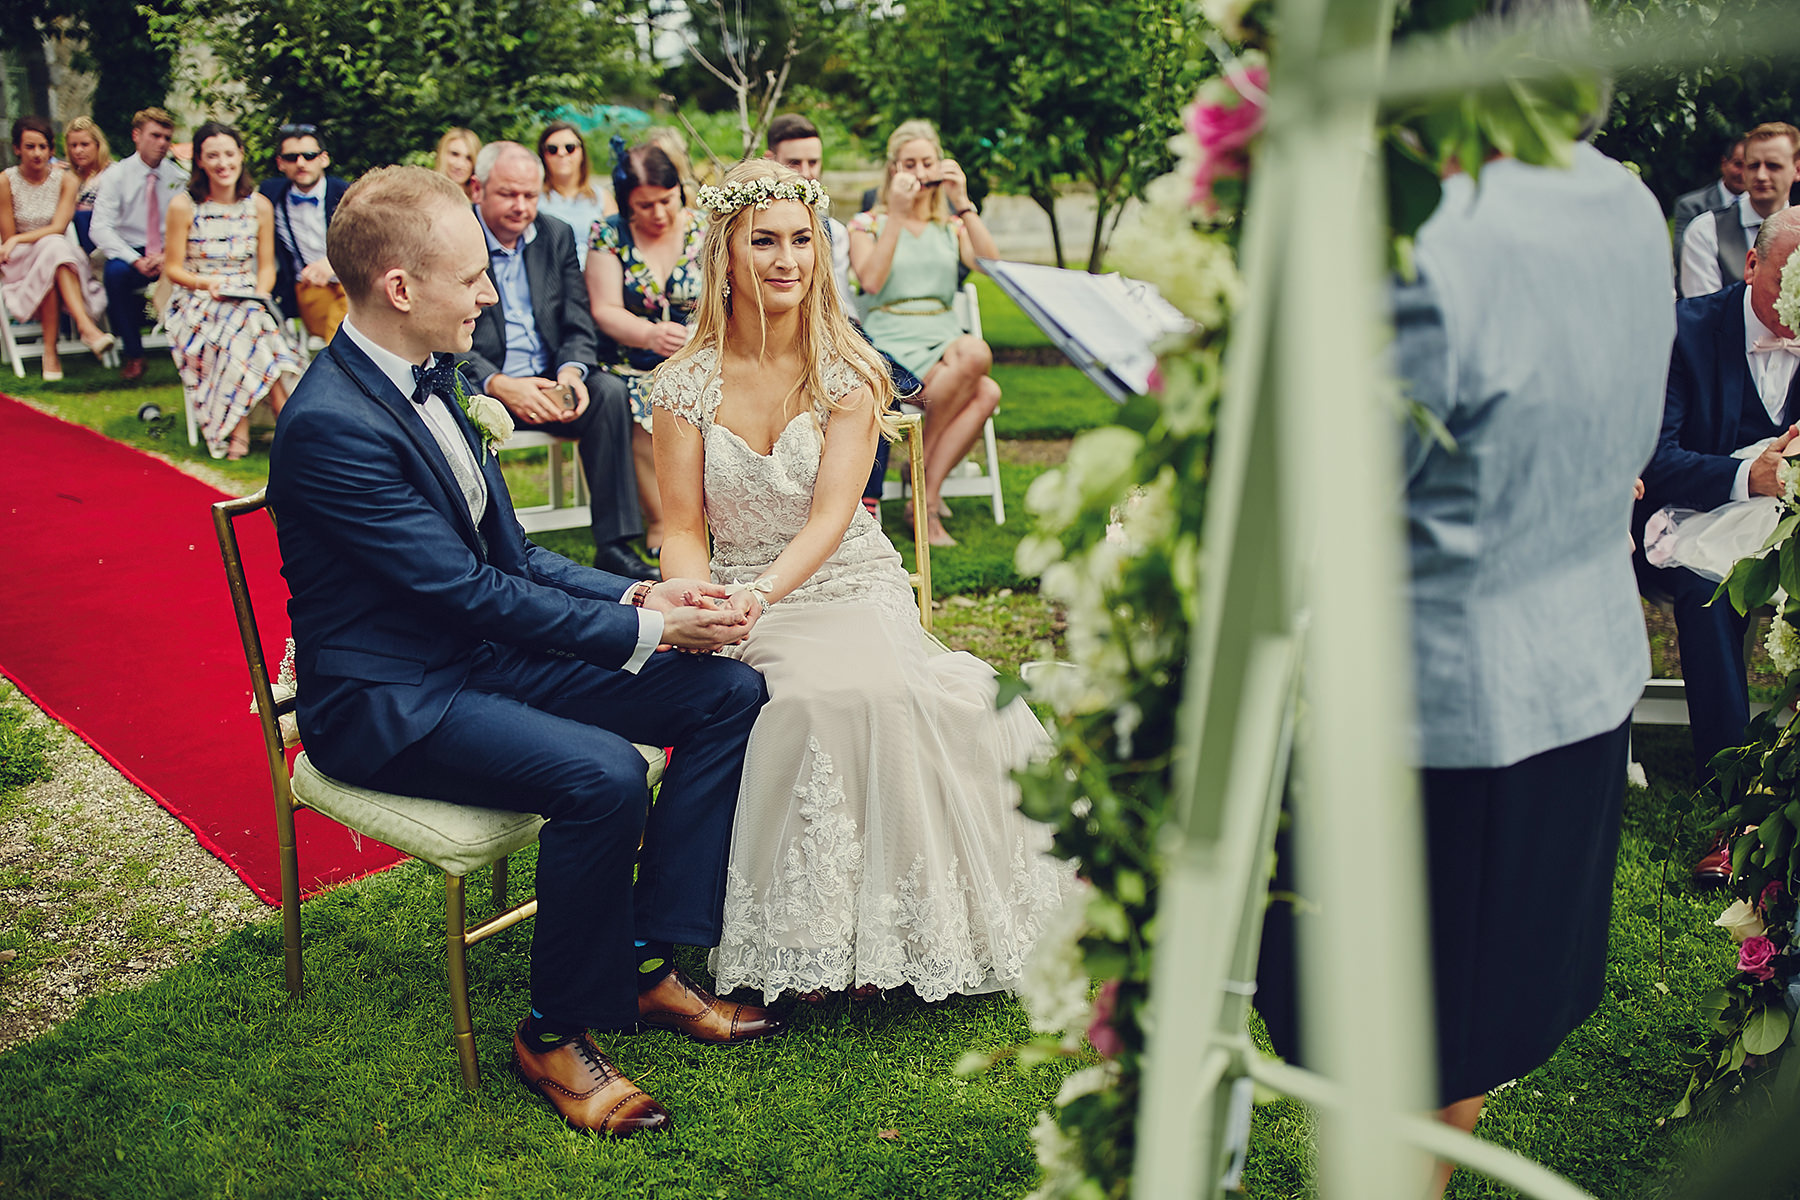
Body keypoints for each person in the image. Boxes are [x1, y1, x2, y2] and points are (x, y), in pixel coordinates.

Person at [266, 164, 779, 1135]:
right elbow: (470, 593)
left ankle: (644, 958)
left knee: (721, 696)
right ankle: (552, 1033)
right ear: (401, 289)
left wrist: (639, 591)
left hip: (474, 654)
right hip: (390, 699)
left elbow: (510, 555)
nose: (494, 293)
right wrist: (653, 629)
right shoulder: (330, 429)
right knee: (600, 777)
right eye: (473, 278)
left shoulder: (447, 373)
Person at [1256, 18, 1674, 1191]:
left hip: (1427, 721)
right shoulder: (1626, 201)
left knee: (1381, 1037)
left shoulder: (1421, 234)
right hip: (1577, 678)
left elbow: (1329, 496)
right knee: (1461, 1026)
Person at [651, 160, 1075, 1003]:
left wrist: (761, 596)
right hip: (733, 587)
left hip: (842, 580)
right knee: (800, 700)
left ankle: (881, 934)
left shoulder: (848, 372)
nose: (786, 260)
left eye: (802, 241)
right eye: (764, 241)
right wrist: (696, 602)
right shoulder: (681, 387)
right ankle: (807, 940)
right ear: (724, 255)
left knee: (869, 693)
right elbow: (684, 527)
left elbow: (830, 519)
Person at [1639, 208, 1800, 881]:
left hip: (1792, 520)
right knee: (1710, 596)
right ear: (1752, 267)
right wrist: (1745, 474)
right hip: (1699, 516)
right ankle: (1736, 818)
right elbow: (1652, 456)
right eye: (1788, 282)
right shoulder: (1685, 330)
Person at [466, 142, 647, 578]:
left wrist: (571, 373)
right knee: (451, 405)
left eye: (530, 195)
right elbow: (443, 340)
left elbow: (577, 321)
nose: (522, 206)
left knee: (608, 391)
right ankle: (485, 545)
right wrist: (499, 384)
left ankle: (615, 544)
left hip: (549, 381)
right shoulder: (457, 238)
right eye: (509, 194)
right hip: (484, 384)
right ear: (477, 189)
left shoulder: (556, 234)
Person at [848, 119, 1000, 546]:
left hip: (945, 340)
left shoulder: (950, 226)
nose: (918, 171)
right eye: (908, 163)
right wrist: (896, 214)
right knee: (985, 389)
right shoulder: (868, 224)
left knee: (974, 358)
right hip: (893, 347)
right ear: (893, 170)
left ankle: (923, 491)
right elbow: (872, 282)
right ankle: (926, 499)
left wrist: (963, 202)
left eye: (926, 162)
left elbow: (992, 265)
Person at [586, 137, 706, 557]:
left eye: (666, 200)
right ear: (626, 204)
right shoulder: (609, 234)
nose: (658, 214)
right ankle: (663, 522)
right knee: (646, 402)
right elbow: (604, 309)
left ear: (679, 191)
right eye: (644, 205)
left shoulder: (704, 229)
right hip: (632, 360)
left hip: (701, 353)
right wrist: (650, 335)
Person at [161, 121, 302, 459]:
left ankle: (241, 431)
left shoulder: (259, 206)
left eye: (229, 154)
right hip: (197, 298)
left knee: (248, 317)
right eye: (213, 156)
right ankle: (287, 421)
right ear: (200, 161)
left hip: (247, 297)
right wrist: (207, 284)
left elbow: (267, 268)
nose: (222, 163)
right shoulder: (185, 206)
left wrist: (260, 293)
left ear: (241, 155)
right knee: (246, 324)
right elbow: (173, 268)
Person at [0, 116, 113, 380]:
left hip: (58, 252)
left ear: (51, 150)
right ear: (17, 149)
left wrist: (19, 239)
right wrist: (15, 240)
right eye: (30, 147)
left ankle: (50, 353)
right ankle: (87, 329)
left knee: (54, 251)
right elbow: (8, 235)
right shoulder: (5, 181)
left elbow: (60, 226)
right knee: (53, 252)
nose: (37, 153)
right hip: (19, 257)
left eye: (42, 147)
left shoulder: (66, 180)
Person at [89, 107, 184, 381]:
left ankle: (188, 350)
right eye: (155, 136)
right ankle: (134, 354)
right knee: (115, 275)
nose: (162, 143)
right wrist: (134, 259)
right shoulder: (116, 176)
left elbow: (188, 225)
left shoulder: (179, 178)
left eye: (167, 137)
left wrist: (167, 255)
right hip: (129, 250)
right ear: (136, 136)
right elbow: (100, 228)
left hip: (169, 252)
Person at [1679, 122, 1796, 299]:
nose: (1761, 176)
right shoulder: (1705, 230)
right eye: (1753, 166)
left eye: (1773, 166)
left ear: (1797, 170)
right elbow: (1702, 312)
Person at [258, 122, 349, 343]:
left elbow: (370, 241)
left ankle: (339, 371)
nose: (301, 163)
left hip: (352, 281)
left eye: (309, 156)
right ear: (280, 163)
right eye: (291, 158)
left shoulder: (346, 193)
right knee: (342, 331)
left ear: (323, 159)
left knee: (349, 318)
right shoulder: (270, 196)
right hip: (310, 287)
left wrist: (333, 263)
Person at [536, 122, 615, 270]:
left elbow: (615, 242)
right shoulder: (534, 198)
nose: (562, 153)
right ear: (543, 155)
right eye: (552, 149)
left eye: (569, 148)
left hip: (595, 276)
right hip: (551, 276)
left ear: (582, 152)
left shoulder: (601, 197)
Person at [63, 115, 113, 253]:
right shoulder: (67, 176)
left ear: (98, 145)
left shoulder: (113, 174)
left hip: (103, 237)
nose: (78, 150)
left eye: (84, 144)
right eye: (73, 145)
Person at [434, 126, 481, 202]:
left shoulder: (481, 204)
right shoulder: (424, 195)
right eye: (454, 154)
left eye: (469, 158)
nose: (460, 165)